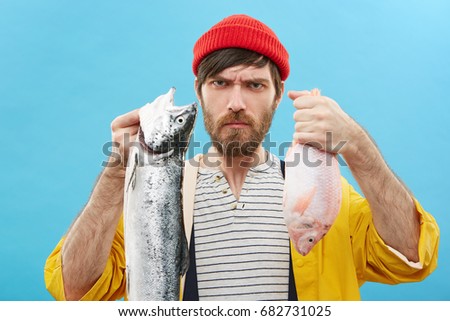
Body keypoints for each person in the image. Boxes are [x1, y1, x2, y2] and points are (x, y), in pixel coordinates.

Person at [44, 14, 439, 301]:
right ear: (199, 94)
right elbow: (74, 289)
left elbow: (410, 257)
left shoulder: (321, 194)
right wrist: (118, 173)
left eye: (254, 84)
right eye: (220, 83)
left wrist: (357, 146)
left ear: (278, 95)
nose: (236, 103)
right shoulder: (155, 199)